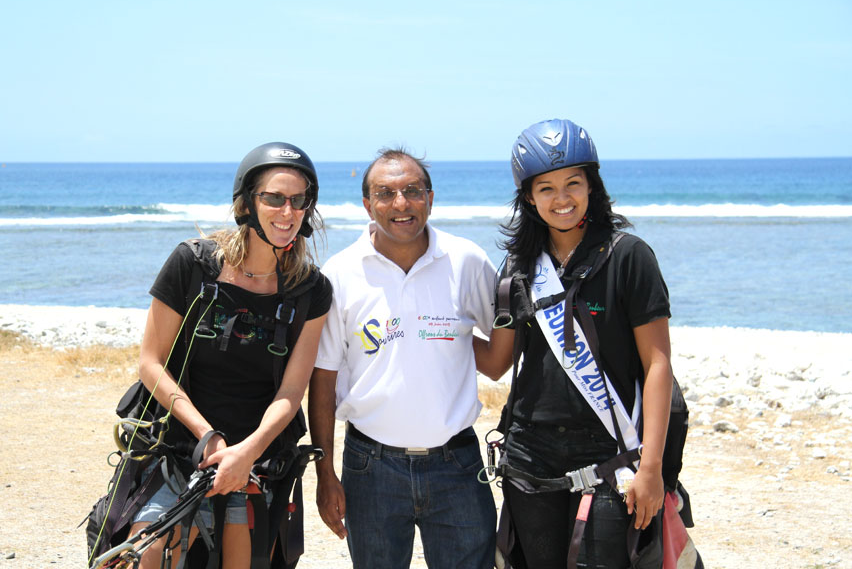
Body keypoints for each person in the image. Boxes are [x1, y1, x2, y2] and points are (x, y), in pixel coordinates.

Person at [474, 119, 673, 569]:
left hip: (609, 451)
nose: (561, 198)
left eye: (572, 184)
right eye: (546, 188)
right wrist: (436, 329)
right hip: (529, 454)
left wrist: (652, 467)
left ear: (591, 185)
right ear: (529, 197)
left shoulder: (628, 256)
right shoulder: (519, 265)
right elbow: (497, 361)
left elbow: (658, 365)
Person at [127, 142, 332, 568]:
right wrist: (208, 437)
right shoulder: (193, 264)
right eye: (274, 198)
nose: (288, 211)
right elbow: (151, 363)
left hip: (259, 458)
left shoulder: (311, 290)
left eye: (299, 201)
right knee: (147, 555)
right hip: (181, 448)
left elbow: (293, 390)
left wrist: (247, 452)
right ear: (246, 203)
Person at [309, 148, 498, 569]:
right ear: (367, 204)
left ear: (430, 198)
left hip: (457, 463)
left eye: (413, 191)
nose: (401, 203)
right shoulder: (339, 273)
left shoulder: (466, 261)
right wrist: (324, 474)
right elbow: (323, 379)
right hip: (371, 467)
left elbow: (500, 353)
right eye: (385, 193)